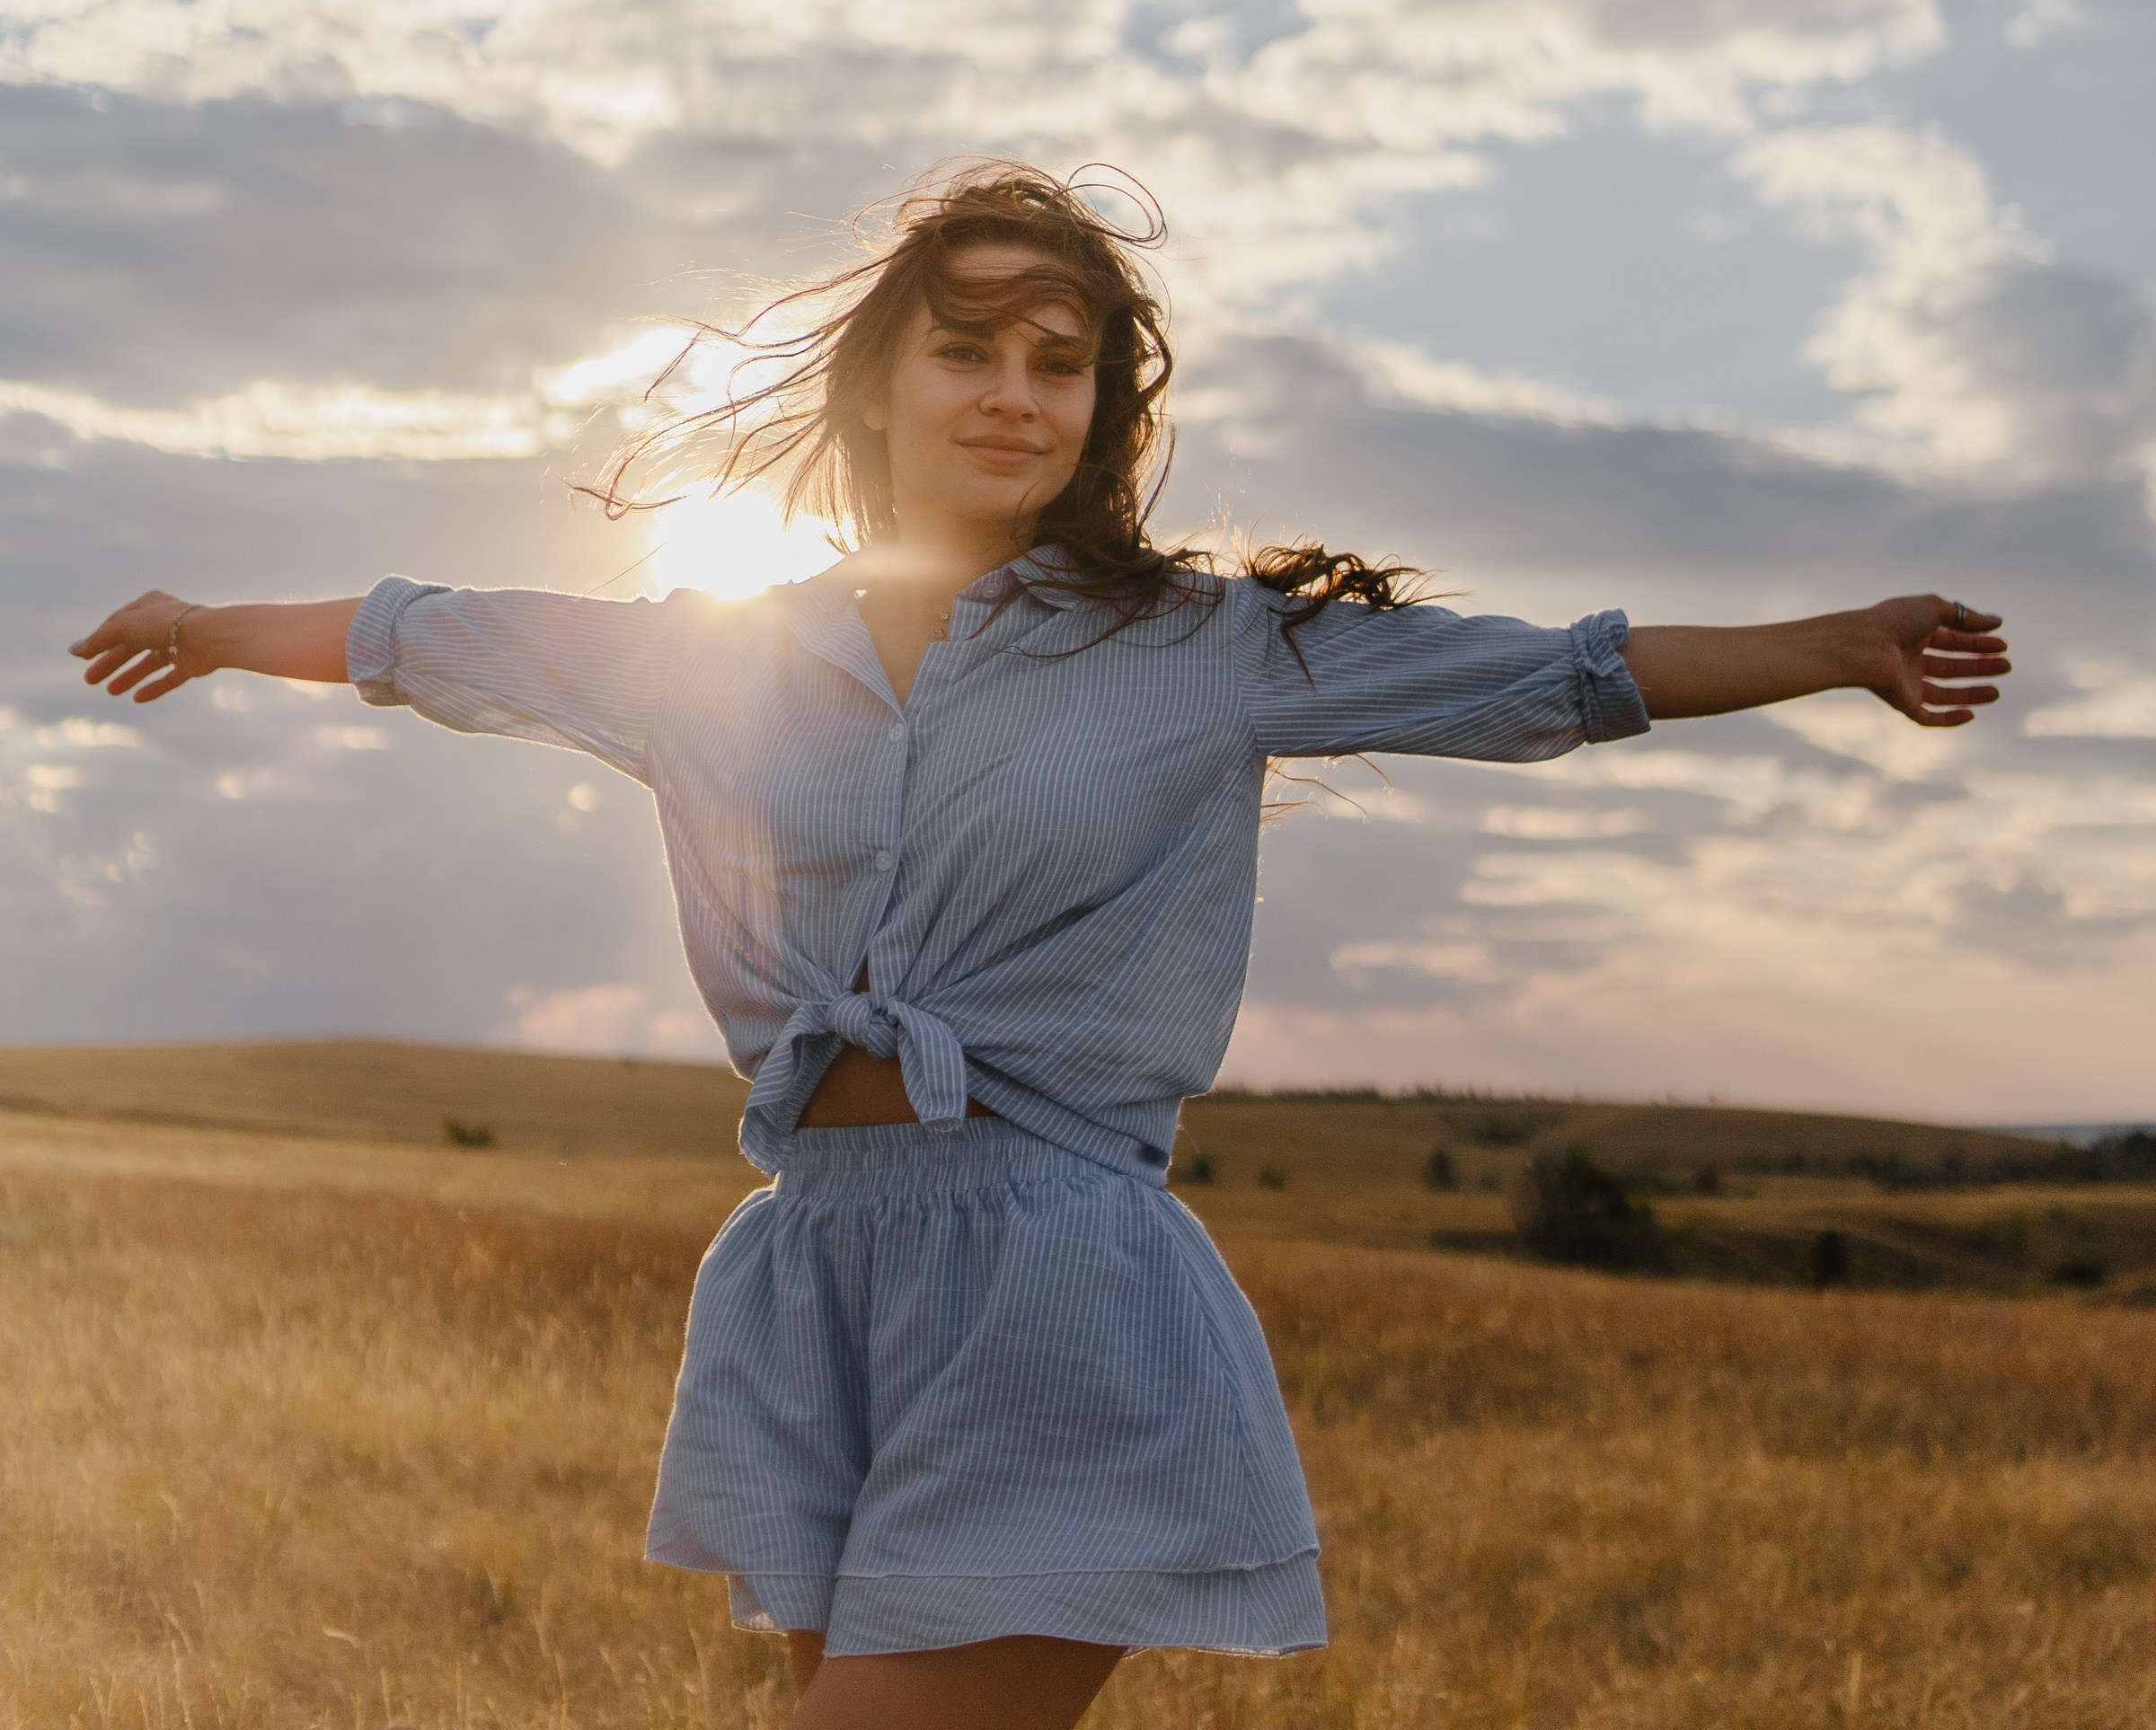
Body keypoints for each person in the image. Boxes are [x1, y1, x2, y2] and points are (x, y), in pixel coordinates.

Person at [70, 162, 2010, 1730]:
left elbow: (1551, 676)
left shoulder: (1204, 646)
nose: (1014, 391)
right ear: (880, 390)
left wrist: (1830, 649)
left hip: (1057, 1283)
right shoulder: (715, 655)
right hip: (813, 1270)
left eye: (1059, 361)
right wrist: (222, 620)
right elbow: (441, 634)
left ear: (1101, 410)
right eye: (969, 350)